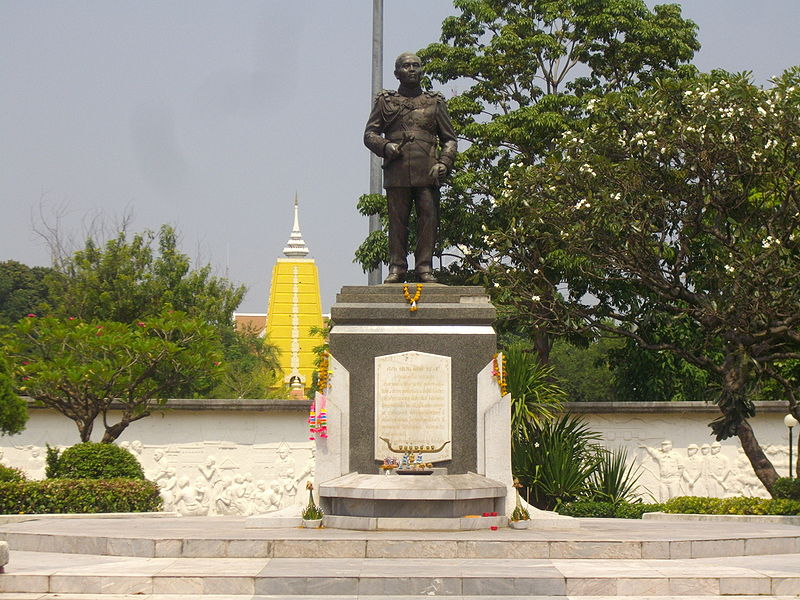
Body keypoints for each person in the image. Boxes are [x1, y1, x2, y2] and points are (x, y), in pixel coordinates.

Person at [364, 52, 458, 284]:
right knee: (397, 222)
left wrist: (444, 162)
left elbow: (450, 139)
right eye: (406, 66)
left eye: (416, 65)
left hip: (427, 170)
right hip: (397, 169)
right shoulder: (386, 102)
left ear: (422, 70)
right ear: (397, 73)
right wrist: (386, 146)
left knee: (428, 219)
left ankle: (424, 267)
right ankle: (397, 267)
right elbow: (369, 134)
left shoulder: (434, 102)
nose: (412, 69)